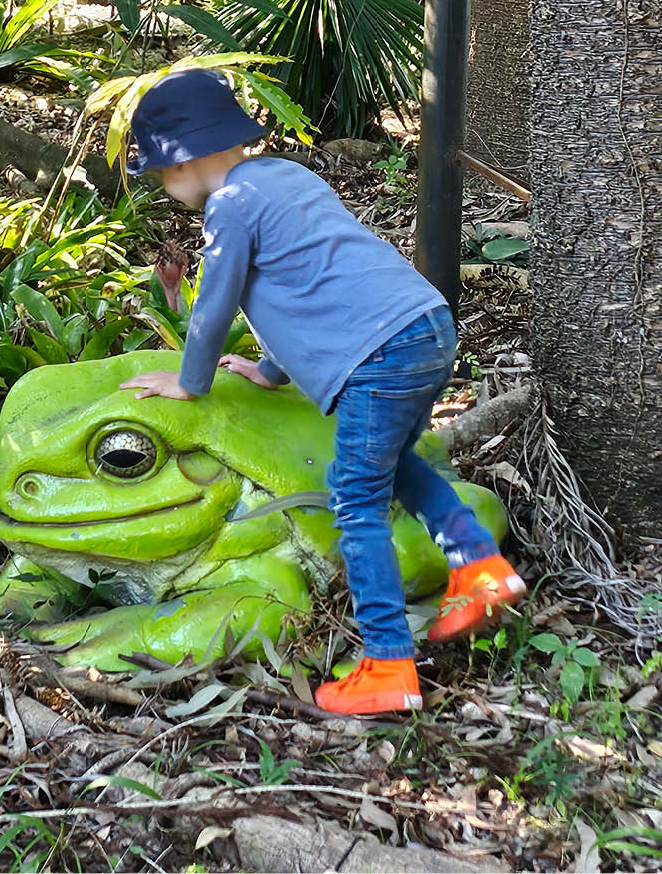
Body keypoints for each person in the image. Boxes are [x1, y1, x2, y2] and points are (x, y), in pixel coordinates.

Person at [119, 69, 526, 715]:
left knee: (354, 497)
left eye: (161, 173)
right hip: (424, 327)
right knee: (394, 468)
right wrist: (271, 370)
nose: (164, 188)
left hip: (378, 354)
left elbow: (218, 301)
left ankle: (388, 662)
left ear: (185, 156)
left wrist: (189, 380)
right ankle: (479, 567)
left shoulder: (230, 204)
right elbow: (308, 285)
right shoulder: (286, 178)